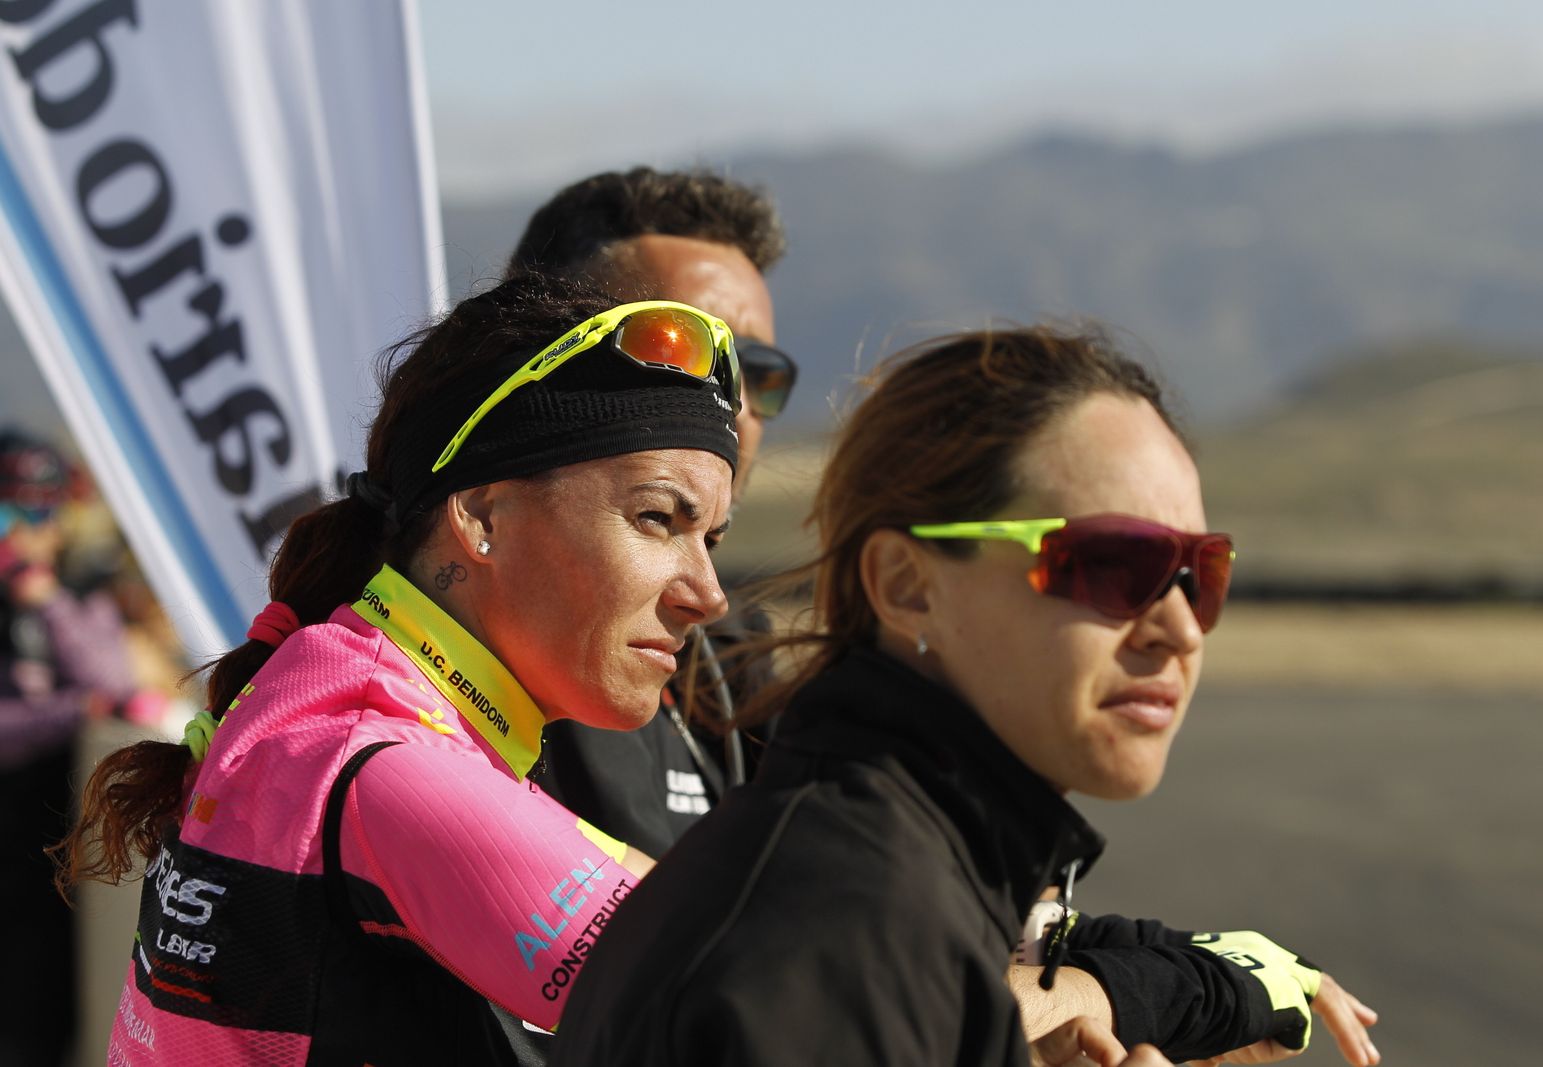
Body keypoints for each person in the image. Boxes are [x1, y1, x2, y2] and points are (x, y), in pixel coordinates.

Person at [550, 325, 1381, 1066]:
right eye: (1111, 564)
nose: (1180, 628)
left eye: (1199, 574)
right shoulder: (844, 932)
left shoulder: (896, 879)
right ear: (907, 585)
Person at [54, 270, 743, 1065]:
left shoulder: (326, 693)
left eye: (714, 539)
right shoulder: (386, 766)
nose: (710, 595)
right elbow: (752, 1004)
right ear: (483, 517)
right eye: (658, 519)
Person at [506, 166, 795, 856]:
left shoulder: (730, 652)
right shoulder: (443, 663)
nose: (737, 403)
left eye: (762, 373)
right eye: (684, 347)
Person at [0, 430, 144, 1067]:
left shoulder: (76, 593)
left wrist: (46, 600)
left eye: (42, 510)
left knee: (50, 1012)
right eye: (14, 509)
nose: (28, 529)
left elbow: (113, 683)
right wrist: (72, 712)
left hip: (56, 854)